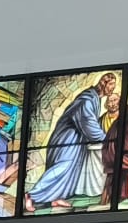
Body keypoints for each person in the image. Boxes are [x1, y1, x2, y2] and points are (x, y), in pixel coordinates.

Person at [27, 71, 117, 209]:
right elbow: (88, 123)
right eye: (111, 85)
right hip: (67, 139)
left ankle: (54, 198)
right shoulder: (87, 99)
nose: (113, 89)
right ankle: (31, 195)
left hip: (76, 141)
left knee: (70, 170)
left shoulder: (95, 98)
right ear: (103, 84)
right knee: (63, 167)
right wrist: (107, 139)